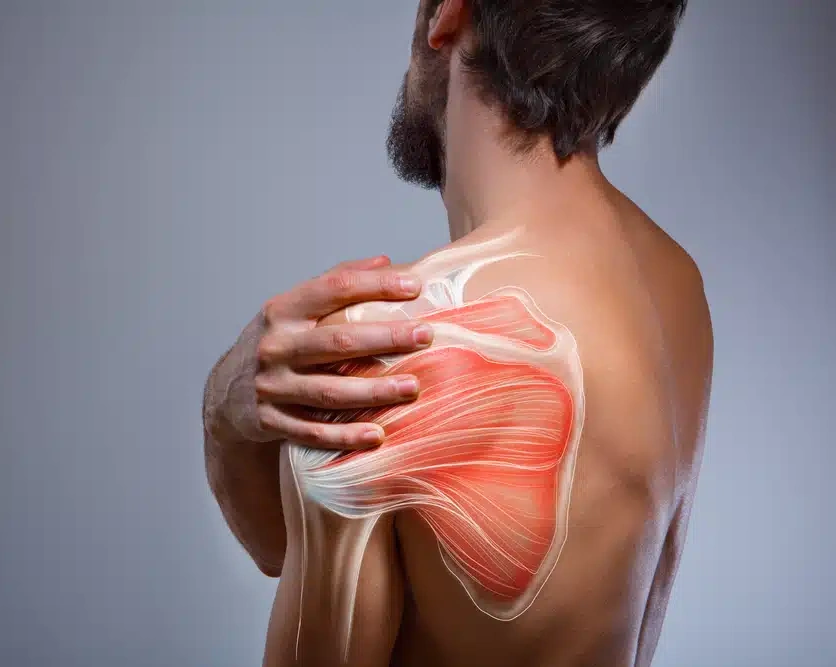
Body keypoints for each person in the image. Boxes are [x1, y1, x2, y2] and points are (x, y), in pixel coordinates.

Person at [202, 1, 712, 665]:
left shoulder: (388, 347)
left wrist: (220, 406)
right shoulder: (676, 287)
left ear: (448, 12)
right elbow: (284, 544)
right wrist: (234, 424)